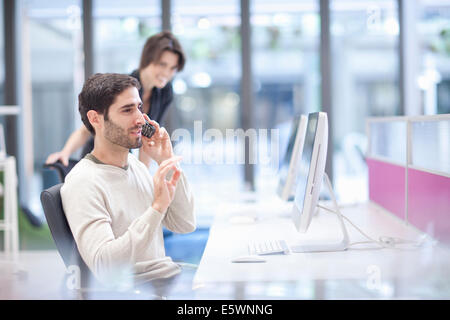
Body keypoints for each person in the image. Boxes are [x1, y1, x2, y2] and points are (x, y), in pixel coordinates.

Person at [60, 73, 195, 295]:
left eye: (139, 107)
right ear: (95, 119)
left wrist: (166, 161)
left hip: (165, 278)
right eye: (127, 110)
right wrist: (157, 209)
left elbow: (185, 224)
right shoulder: (83, 182)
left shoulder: (136, 167)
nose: (141, 119)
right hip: (138, 290)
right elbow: (105, 266)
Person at [46, 30, 185, 168]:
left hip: (122, 159)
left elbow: (146, 139)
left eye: (172, 68)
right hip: (100, 155)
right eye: (162, 64)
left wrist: (144, 178)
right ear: (148, 59)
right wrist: (65, 152)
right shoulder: (125, 88)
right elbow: (86, 128)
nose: (167, 73)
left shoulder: (165, 92)